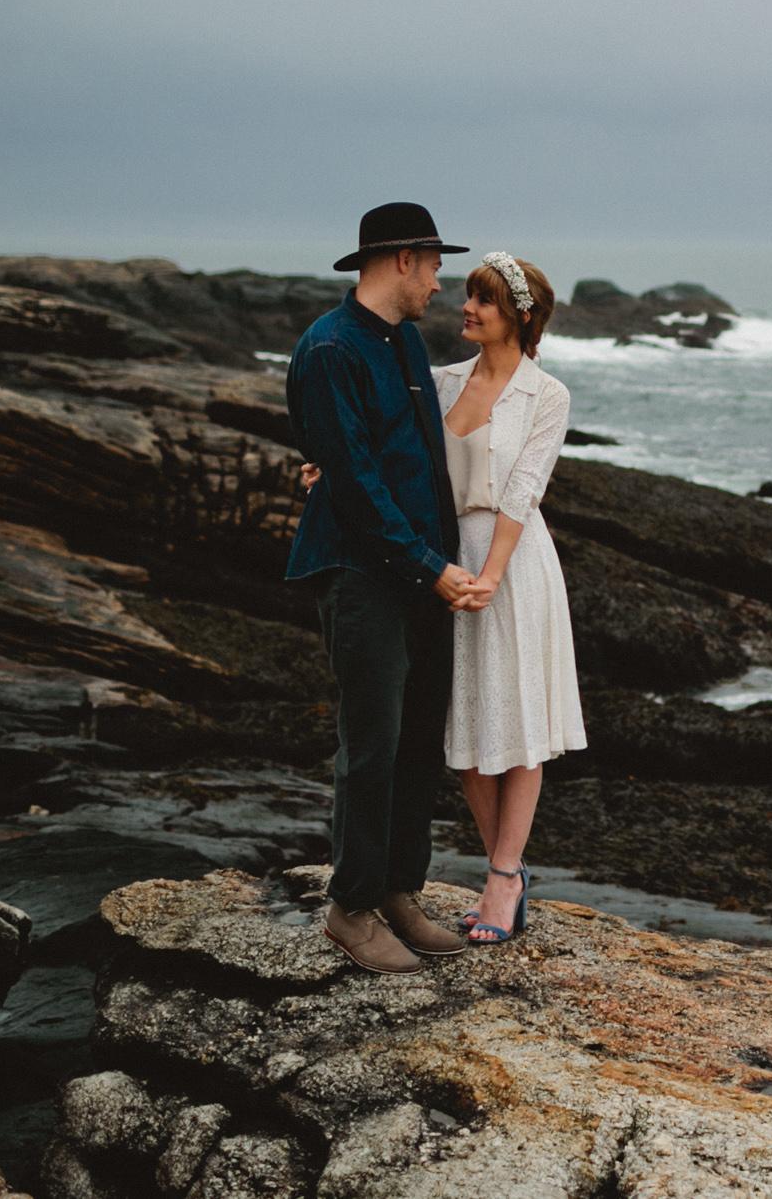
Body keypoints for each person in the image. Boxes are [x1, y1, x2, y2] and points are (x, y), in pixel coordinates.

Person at [285, 201, 488, 974]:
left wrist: (436, 565)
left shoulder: (402, 342)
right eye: (435, 264)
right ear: (402, 258)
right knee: (370, 743)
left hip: (418, 573)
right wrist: (430, 566)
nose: (441, 281)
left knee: (415, 739)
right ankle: (352, 905)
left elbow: (415, 461)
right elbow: (357, 484)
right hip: (363, 571)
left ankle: (399, 891)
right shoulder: (329, 349)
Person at [433, 250, 588, 944]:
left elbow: (525, 488)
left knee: (518, 726)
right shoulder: (440, 382)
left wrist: (491, 574)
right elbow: (394, 451)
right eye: (467, 295)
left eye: (483, 300)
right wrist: (327, 465)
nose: (467, 307)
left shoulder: (546, 394)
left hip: (515, 564)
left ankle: (500, 877)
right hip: (444, 562)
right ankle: (513, 871)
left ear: (519, 317)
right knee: (463, 736)